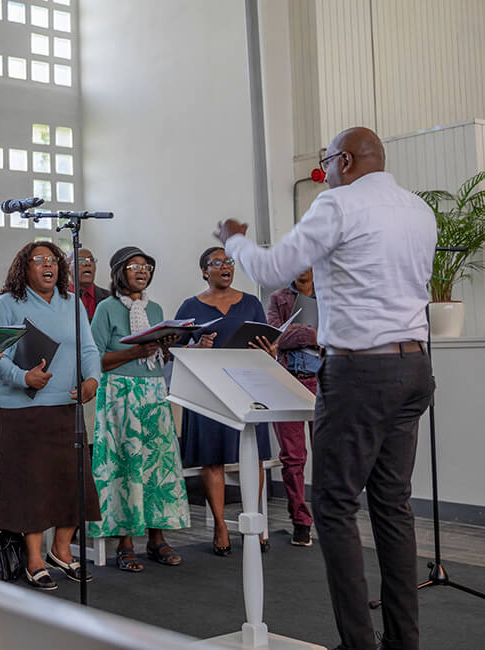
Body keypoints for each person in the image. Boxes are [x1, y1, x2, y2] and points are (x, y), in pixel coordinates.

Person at [217, 126, 435, 650]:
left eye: (326, 162)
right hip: (414, 368)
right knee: (392, 506)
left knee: (335, 504)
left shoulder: (337, 206)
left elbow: (273, 269)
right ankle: (403, 642)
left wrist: (233, 238)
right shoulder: (418, 210)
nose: (324, 171)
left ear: (345, 159)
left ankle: (358, 643)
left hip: (360, 372)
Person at [0, 241, 101, 590]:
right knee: (32, 484)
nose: (47, 266)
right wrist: (24, 378)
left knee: (73, 480)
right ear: (25, 267)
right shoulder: (9, 303)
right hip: (22, 408)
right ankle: (34, 558)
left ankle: (62, 550)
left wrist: (92, 379)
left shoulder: (72, 303)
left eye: (52, 260)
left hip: (66, 405)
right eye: (39, 261)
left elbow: (88, 347)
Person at [89, 246, 190, 573]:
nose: (143, 271)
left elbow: (157, 355)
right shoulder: (105, 308)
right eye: (135, 266)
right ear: (120, 271)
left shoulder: (157, 308)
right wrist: (134, 353)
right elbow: (95, 359)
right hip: (119, 393)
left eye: (147, 266)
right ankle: (125, 542)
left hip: (154, 391)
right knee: (126, 466)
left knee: (157, 467)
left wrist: (170, 345)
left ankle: (157, 537)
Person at [174, 246, 275, 556]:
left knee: (254, 456)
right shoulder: (190, 306)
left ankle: (254, 521)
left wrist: (270, 353)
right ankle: (220, 525)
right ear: (205, 271)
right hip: (209, 390)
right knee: (213, 459)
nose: (225, 266)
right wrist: (198, 347)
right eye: (216, 262)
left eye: (228, 261)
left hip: (247, 388)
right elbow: (174, 350)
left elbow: (267, 344)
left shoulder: (251, 303)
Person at [266, 268, 318, 547]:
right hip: (286, 382)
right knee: (293, 458)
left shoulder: (331, 294)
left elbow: (340, 335)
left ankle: (331, 516)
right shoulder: (279, 297)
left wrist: (293, 332)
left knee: (331, 454)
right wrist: (312, 334)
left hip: (325, 383)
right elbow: (274, 339)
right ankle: (301, 521)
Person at [67, 247, 111, 321]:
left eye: (91, 260)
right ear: (67, 267)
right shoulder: (57, 297)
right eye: (80, 260)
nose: (87, 263)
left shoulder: (109, 298)